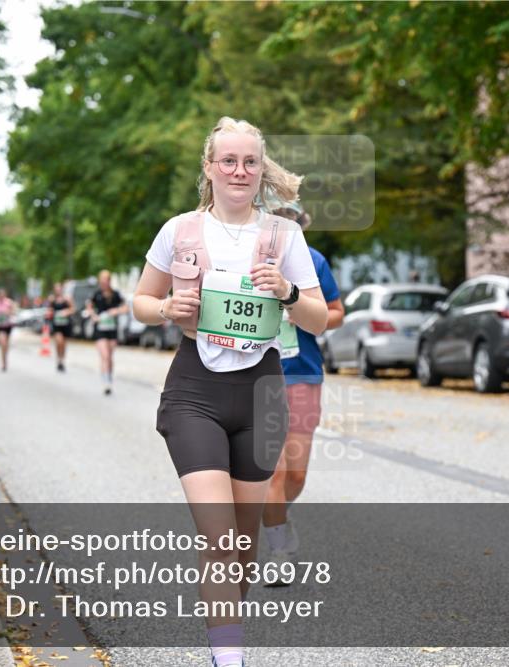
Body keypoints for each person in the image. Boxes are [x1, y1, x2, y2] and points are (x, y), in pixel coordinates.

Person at [133, 117, 327, 667]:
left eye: (249, 162)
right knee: (218, 539)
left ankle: (226, 638)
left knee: (242, 549)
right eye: (228, 161)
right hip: (194, 390)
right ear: (209, 168)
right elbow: (141, 301)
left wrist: (288, 292)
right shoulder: (179, 231)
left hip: (262, 391)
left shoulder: (284, 236)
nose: (239, 171)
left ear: (260, 170)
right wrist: (167, 308)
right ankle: (230, 659)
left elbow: (317, 320)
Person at [261, 203, 344, 580]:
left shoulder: (313, 261)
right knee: (273, 473)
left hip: (303, 375)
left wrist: (302, 312)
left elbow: (335, 313)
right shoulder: (250, 259)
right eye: (278, 221)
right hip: (258, 377)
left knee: (295, 476)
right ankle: (278, 548)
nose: (285, 228)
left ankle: (280, 512)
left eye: (291, 222)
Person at [84, 270, 129, 395]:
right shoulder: (96, 294)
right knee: (105, 355)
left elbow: (126, 308)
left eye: (105, 280)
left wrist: (116, 311)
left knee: (109, 356)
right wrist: (93, 315)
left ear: (109, 281)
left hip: (112, 329)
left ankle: (109, 378)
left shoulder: (116, 294)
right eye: (101, 281)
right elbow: (89, 306)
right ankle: (106, 382)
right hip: (100, 329)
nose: (103, 283)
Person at [46, 282, 74, 372]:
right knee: (59, 342)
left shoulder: (67, 299)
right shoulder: (52, 300)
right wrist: (49, 313)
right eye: (56, 288)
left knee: (64, 344)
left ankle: (62, 360)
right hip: (57, 324)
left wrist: (66, 312)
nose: (58, 290)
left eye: (59, 288)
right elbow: (49, 310)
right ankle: (58, 359)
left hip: (66, 324)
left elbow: (73, 309)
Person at [0, 288, 17, 372]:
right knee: (2, 342)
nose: (1, 296)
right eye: (0, 294)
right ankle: (3, 362)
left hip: (7, 325)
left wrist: (9, 312)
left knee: (6, 345)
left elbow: (14, 312)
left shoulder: (9, 302)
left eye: (3, 294)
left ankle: (5, 357)